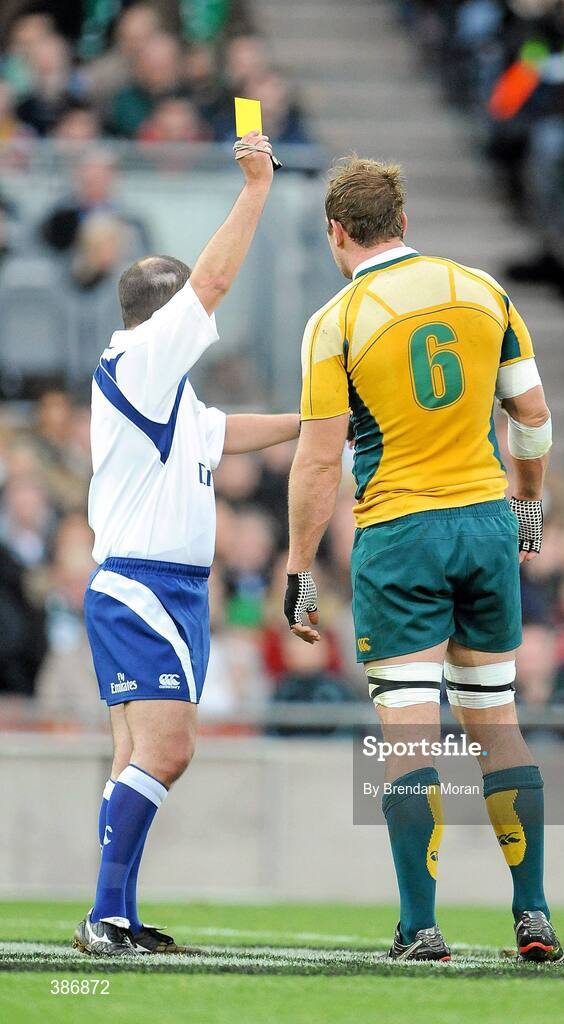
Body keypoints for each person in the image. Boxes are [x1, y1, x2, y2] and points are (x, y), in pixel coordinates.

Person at [283, 157, 561, 963]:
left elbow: (317, 462)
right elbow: (533, 417)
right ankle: (534, 913)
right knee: (497, 729)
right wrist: (529, 503)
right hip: (484, 522)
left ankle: (422, 926)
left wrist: (301, 568)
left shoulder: (337, 319)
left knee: (411, 740)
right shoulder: (483, 290)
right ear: (401, 220)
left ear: (338, 231)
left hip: (402, 530)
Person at [74, 130, 300, 957]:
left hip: (156, 586)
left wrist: (317, 423)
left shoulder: (165, 392)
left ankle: (115, 916)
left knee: (140, 752)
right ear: (167, 316)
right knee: (168, 749)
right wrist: (254, 192)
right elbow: (212, 279)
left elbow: (224, 431)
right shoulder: (140, 357)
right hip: (143, 583)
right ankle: (104, 914)